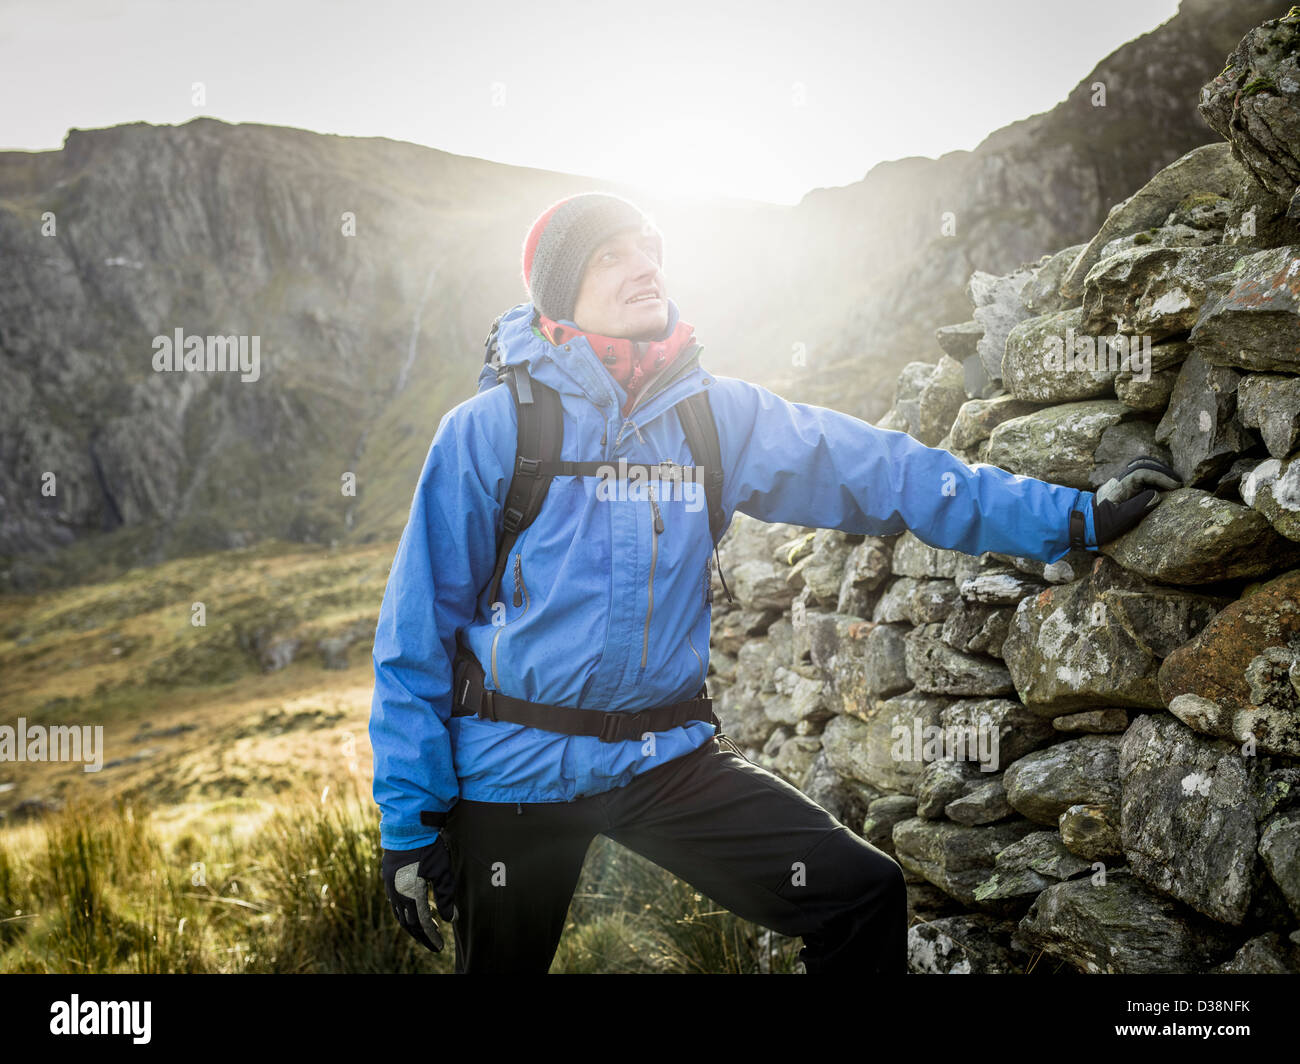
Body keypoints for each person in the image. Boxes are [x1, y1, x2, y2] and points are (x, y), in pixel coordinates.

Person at [371, 192, 1179, 974]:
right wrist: (410, 823)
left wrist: (1070, 518)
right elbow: (417, 631)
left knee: (860, 897)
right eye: (609, 255)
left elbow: (884, 472)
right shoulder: (491, 431)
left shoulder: (712, 418)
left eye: (648, 248)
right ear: (560, 295)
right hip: (515, 771)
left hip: (663, 760)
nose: (643, 266)